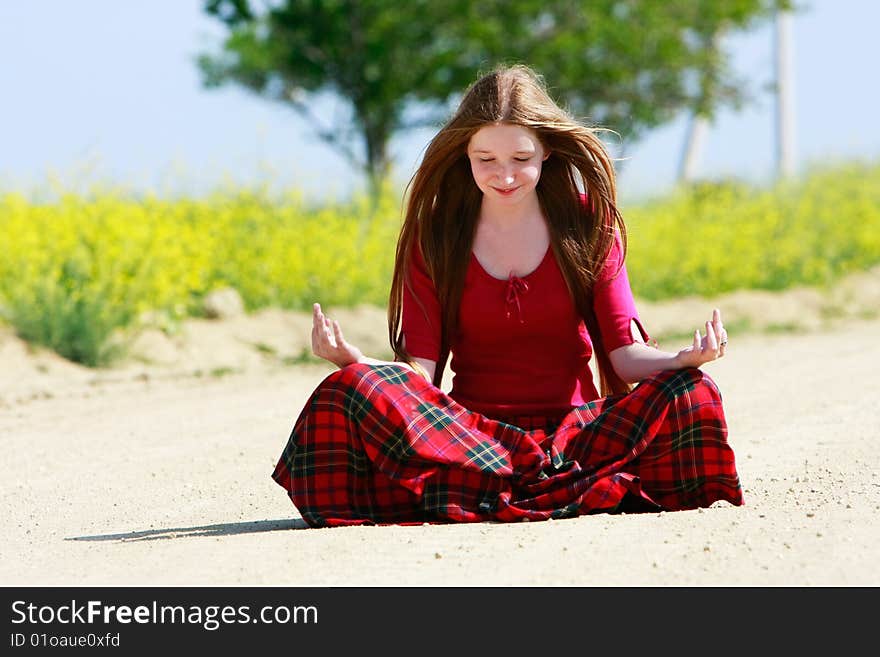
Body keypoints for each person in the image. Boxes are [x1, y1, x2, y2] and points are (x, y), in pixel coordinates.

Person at [272, 64, 744, 527]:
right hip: (472, 438)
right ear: (465, 156)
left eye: (521, 159)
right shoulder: (435, 236)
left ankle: (488, 493)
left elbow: (625, 358)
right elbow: (422, 376)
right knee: (347, 391)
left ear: (547, 152)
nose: (505, 175)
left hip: (577, 436)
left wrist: (682, 360)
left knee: (693, 393)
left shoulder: (590, 226)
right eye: (486, 161)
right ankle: (548, 489)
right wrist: (357, 364)